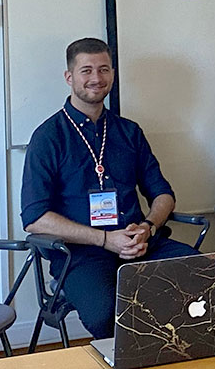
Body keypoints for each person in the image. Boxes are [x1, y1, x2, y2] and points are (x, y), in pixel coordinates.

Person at [20, 38, 196, 339]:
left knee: (200, 276)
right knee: (106, 315)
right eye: (86, 70)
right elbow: (35, 218)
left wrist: (149, 228)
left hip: (140, 245)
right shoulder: (48, 137)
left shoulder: (128, 131)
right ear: (69, 78)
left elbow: (163, 194)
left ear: (113, 74)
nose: (96, 78)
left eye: (104, 69)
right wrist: (104, 239)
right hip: (81, 255)